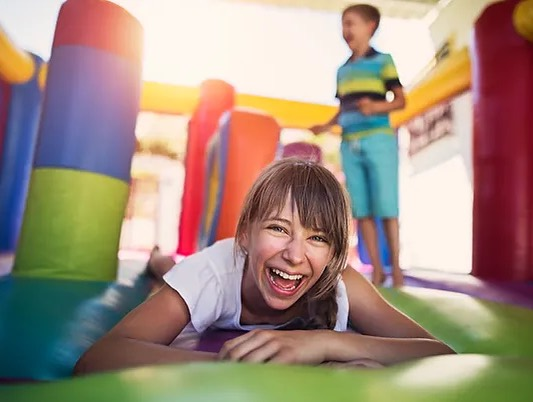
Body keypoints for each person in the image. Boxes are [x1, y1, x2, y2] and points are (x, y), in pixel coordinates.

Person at [74, 159, 453, 375]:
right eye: (278, 228)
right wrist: (242, 364)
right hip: (196, 268)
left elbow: (439, 353)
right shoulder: (212, 273)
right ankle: (157, 258)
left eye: (317, 238)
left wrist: (326, 342)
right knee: (166, 268)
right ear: (245, 235)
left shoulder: (340, 283)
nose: (294, 254)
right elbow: (98, 358)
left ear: (335, 253)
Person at [310, 4, 406, 287]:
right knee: (361, 209)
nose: (346, 30)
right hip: (349, 144)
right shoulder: (342, 70)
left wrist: (375, 106)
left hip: (379, 140)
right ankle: (377, 270)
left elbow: (401, 100)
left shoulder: (383, 61)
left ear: (370, 26)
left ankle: (396, 270)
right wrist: (326, 126)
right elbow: (343, 109)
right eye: (343, 24)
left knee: (387, 206)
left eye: (352, 23)